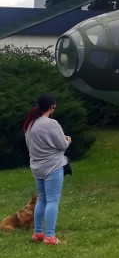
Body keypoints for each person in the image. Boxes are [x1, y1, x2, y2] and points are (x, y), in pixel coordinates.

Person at [23, 94, 71, 244]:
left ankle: (38, 233)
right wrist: (68, 140)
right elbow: (62, 145)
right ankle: (50, 236)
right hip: (53, 167)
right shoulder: (51, 123)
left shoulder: (30, 124)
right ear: (52, 107)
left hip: (37, 167)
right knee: (52, 200)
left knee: (42, 199)